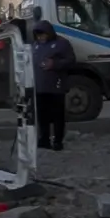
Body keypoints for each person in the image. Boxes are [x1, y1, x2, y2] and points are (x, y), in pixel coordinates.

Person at [32, 20, 75, 151]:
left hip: (56, 85)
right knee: (42, 115)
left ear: (49, 33)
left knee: (57, 115)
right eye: (38, 36)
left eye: (43, 35)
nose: (40, 38)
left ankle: (58, 141)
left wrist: (55, 64)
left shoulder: (62, 43)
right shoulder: (35, 45)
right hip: (40, 86)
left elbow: (71, 60)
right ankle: (44, 139)